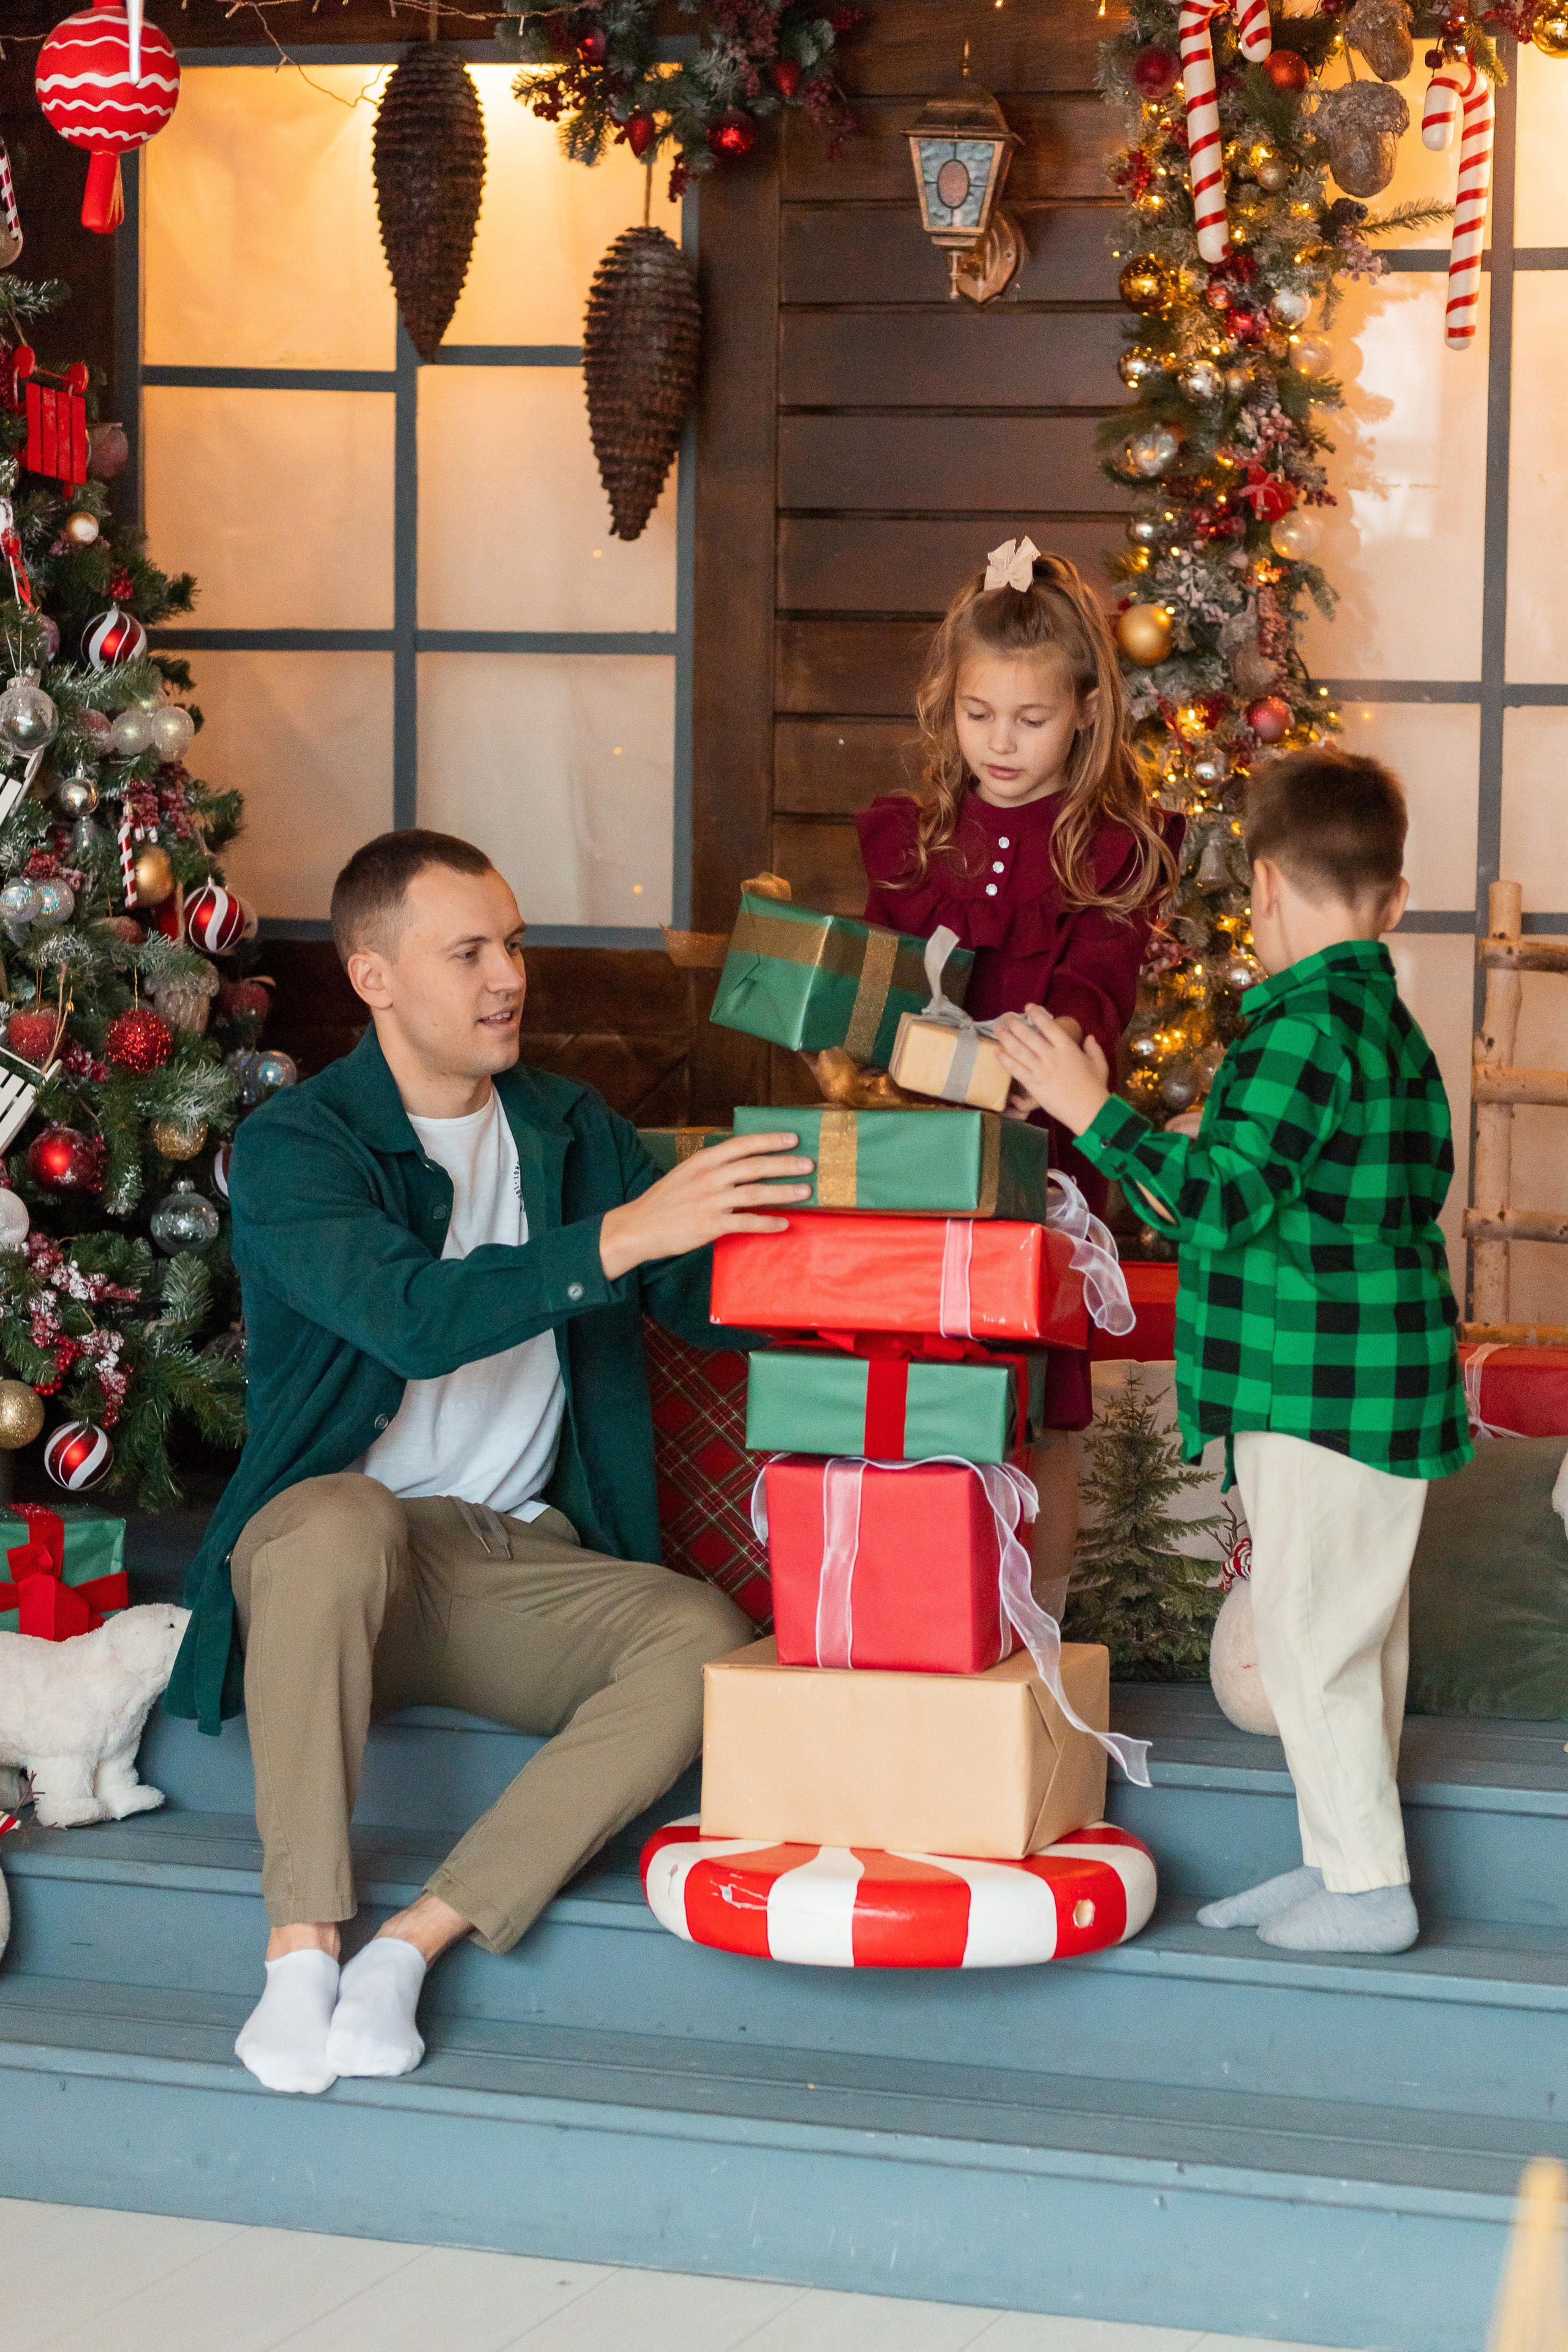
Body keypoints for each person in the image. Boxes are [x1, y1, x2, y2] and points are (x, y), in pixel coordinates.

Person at [164, 829, 812, 2095]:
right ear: (375, 979)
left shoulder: (572, 1128)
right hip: (332, 1567)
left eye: (510, 944)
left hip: (513, 1569)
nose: (506, 976)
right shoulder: (300, 1149)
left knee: (702, 1641)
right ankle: (300, 1947)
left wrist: (861, 1241)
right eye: (466, 952)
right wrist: (616, 1238)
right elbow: (415, 1315)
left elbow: (694, 1297)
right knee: (339, 1522)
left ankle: (416, 1942)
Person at [991, 747, 1472, 1956]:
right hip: (1371, 1382)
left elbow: (1210, 1201)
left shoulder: (1302, 1032)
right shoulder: (1387, 1033)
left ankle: (1367, 1889)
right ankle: (1337, 1861)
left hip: (1316, 1388)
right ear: (1394, 899)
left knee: (1312, 1637)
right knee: (1349, 1636)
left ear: (1257, 887)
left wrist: (1089, 1104)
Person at [857, 536, 1178, 1599]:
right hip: (926, 1155)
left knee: (1046, 1402)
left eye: (1031, 720)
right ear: (946, 704)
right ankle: (928, 1604)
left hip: (1043, 1161)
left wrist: (1067, 1044)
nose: (1000, 742)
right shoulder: (916, 841)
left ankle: (1033, 1628)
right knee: (929, 1384)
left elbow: (1101, 982)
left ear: (1086, 708)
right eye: (977, 714)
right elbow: (881, 989)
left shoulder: (1109, 847)